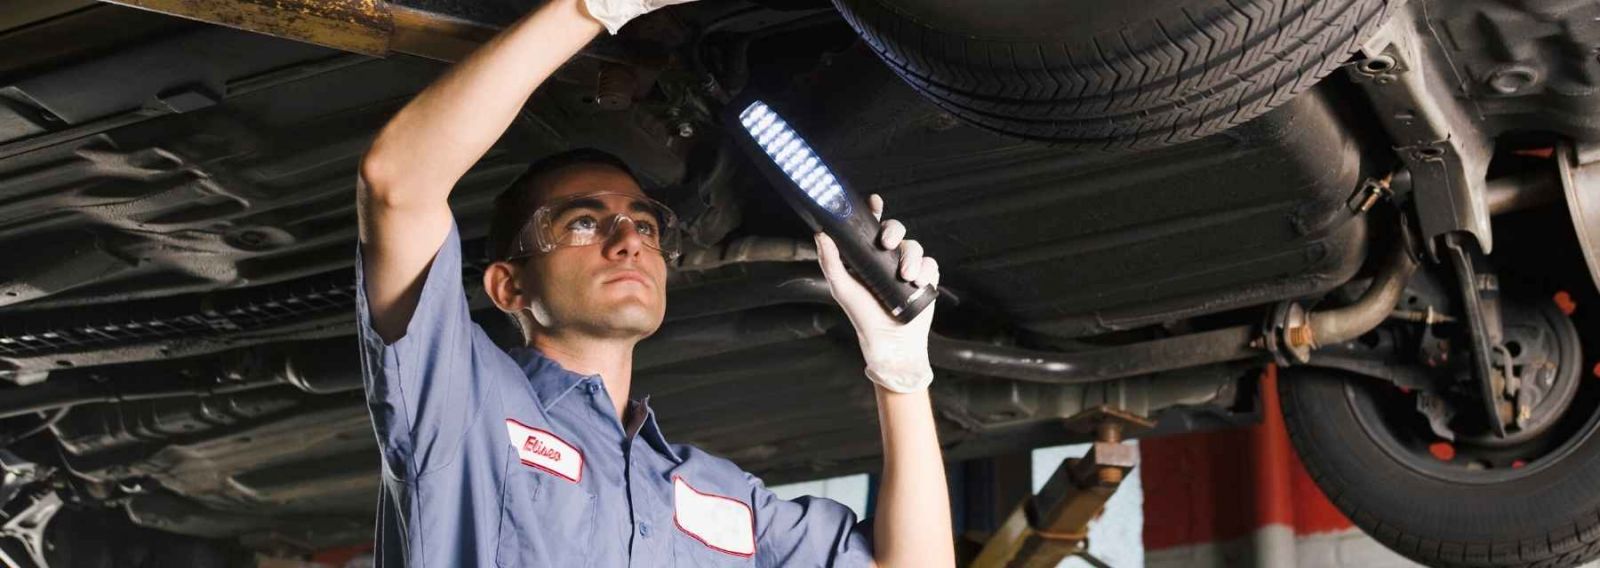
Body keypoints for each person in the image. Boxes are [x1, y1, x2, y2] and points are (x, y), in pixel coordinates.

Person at [353, 0, 953, 565]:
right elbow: (396, 184)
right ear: (510, 288)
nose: (628, 239)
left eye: (644, 223)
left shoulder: (714, 497)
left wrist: (901, 373)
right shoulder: (464, 402)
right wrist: (589, 9)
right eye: (583, 223)